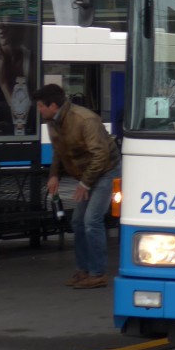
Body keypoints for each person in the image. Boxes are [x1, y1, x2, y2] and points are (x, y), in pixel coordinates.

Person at [32, 83, 121, 289]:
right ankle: (83, 270)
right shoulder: (52, 121)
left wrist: (84, 183)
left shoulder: (85, 119)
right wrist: (54, 175)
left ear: (53, 105)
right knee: (78, 222)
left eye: (40, 106)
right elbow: (59, 151)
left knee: (92, 220)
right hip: (87, 174)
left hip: (107, 171)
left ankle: (97, 273)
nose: (39, 110)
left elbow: (101, 155)